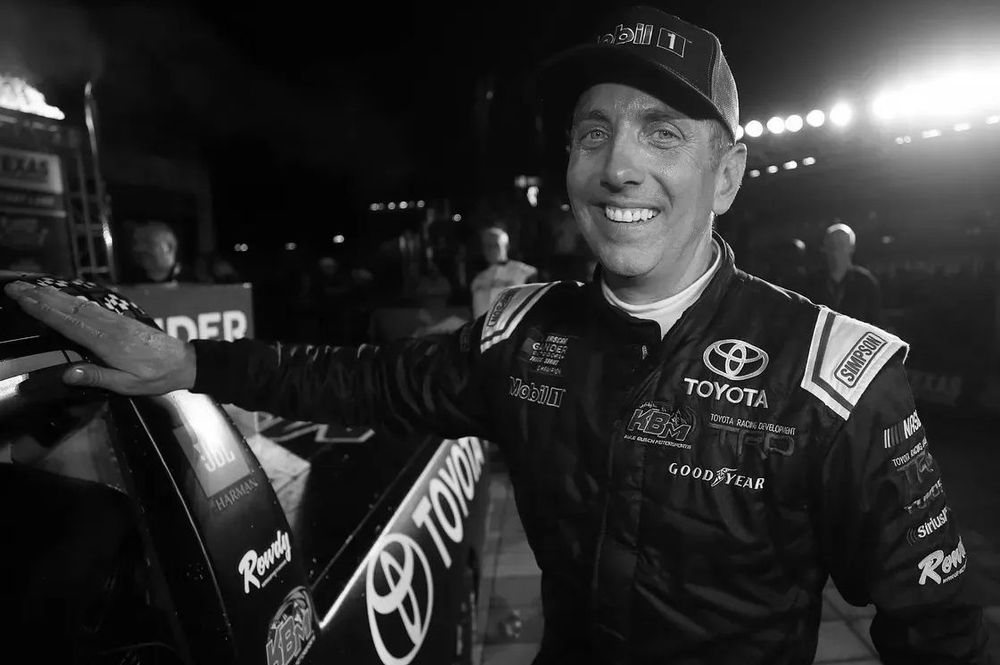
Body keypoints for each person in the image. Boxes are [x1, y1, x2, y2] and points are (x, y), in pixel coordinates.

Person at [3, 6, 989, 664]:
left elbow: (934, 623)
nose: (618, 167)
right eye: (593, 133)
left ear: (724, 175)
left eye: (661, 133)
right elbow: (362, 382)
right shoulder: (521, 337)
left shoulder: (837, 377)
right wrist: (189, 362)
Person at [808, 222, 883, 325]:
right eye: (832, 244)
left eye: (841, 244)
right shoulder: (812, 282)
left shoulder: (866, 282)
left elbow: (875, 321)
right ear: (824, 248)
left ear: (852, 247)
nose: (836, 249)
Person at [470, 226, 538, 318]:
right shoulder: (478, 279)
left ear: (506, 246)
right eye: (487, 246)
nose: (491, 250)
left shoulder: (525, 272)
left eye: (496, 245)